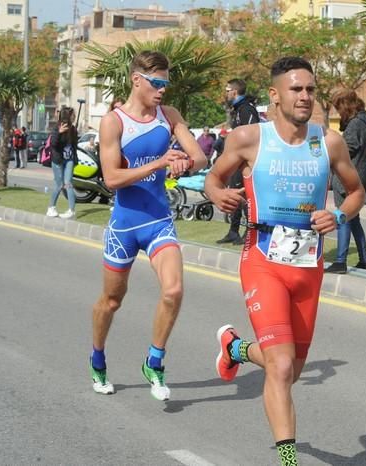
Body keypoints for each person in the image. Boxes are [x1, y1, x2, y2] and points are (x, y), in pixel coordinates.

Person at [205, 56, 365, 466]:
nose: (305, 96)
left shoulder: (328, 142)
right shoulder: (247, 138)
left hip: (308, 266)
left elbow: (356, 192)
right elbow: (214, 177)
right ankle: (289, 460)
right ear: (275, 95)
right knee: (278, 367)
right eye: (296, 89)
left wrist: (340, 215)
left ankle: (237, 349)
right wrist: (216, 194)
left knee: (290, 369)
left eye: (310, 89)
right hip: (262, 259)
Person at [89, 50, 207, 400]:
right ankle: (97, 358)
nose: (162, 91)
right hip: (124, 227)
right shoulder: (114, 121)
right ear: (136, 80)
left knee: (173, 291)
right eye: (156, 83)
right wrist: (158, 163)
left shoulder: (168, 116)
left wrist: (184, 163)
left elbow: (200, 156)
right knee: (111, 301)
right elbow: (111, 178)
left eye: (165, 84)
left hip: (158, 221)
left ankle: (154, 362)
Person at [325, 89, 366, 274]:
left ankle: (340, 260)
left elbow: (349, 148)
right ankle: (364, 259)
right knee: (354, 219)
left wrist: (333, 153)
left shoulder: (354, 124)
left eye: (339, 107)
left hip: (347, 177)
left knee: (343, 215)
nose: (338, 112)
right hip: (363, 174)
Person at [216, 78, 261, 245]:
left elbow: (252, 135)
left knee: (245, 196)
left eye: (227, 90)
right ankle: (233, 231)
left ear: (234, 92)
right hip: (236, 162)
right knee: (234, 194)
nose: (226, 93)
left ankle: (249, 232)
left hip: (245, 163)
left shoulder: (247, 109)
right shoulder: (237, 110)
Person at [46, 107, 79, 219]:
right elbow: (53, 144)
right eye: (72, 115)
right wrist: (60, 133)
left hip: (69, 160)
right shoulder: (57, 127)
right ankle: (51, 208)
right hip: (58, 160)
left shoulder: (73, 129)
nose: (74, 116)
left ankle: (71, 210)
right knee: (59, 185)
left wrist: (75, 160)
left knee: (68, 183)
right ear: (67, 116)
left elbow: (74, 146)